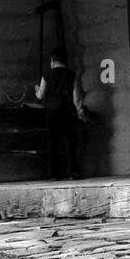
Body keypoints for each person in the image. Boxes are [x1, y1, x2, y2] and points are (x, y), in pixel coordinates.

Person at [35, 49, 83, 179]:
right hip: (67, 111)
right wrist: (79, 111)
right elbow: (76, 97)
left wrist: (37, 90)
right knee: (70, 142)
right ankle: (73, 172)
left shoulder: (46, 75)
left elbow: (41, 95)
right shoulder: (71, 75)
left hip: (51, 111)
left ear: (52, 61)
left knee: (53, 143)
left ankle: (53, 174)